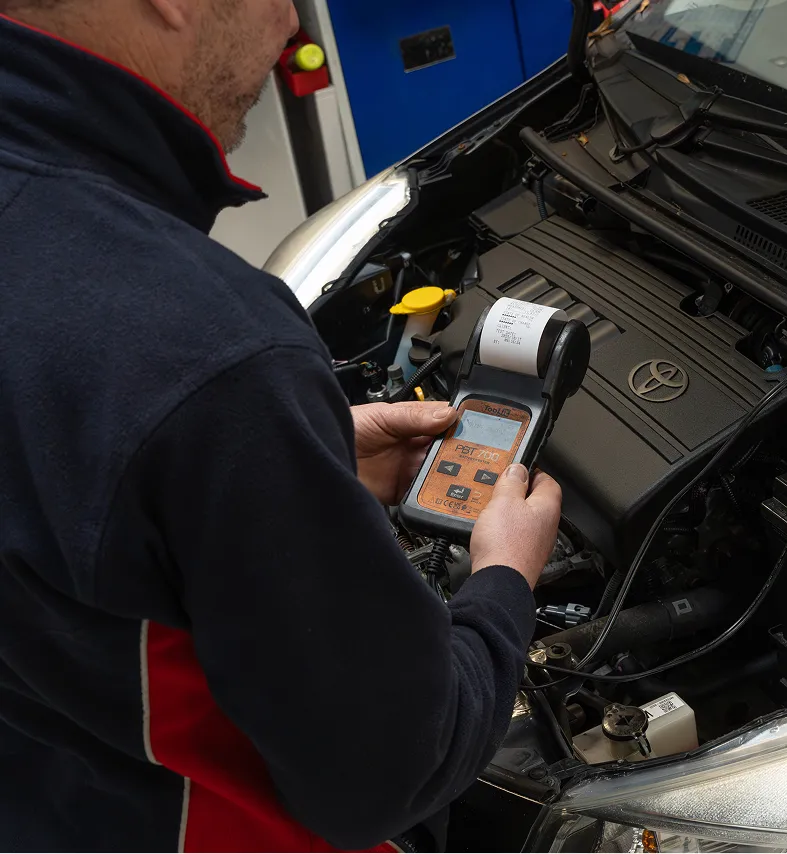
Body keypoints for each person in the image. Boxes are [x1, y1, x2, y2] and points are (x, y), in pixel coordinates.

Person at [0, 0, 563, 849]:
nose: (294, 30)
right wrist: (503, 585)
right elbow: (394, 773)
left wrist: (296, 454)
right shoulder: (207, 347)